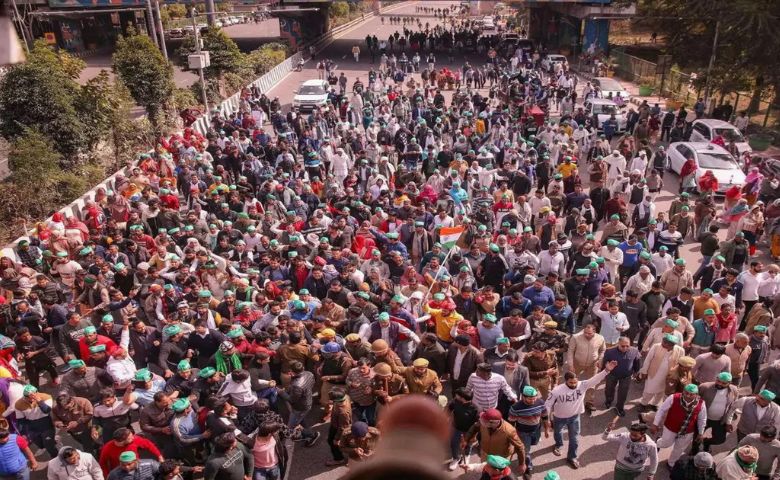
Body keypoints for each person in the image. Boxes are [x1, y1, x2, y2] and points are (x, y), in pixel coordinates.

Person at [545, 360, 618, 468]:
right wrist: (546, 420)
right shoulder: (557, 390)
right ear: (565, 381)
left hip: (575, 417)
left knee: (574, 439)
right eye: (571, 383)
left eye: (575, 382)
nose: (574, 385)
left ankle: (572, 457)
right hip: (559, 417)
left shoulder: (582, 385)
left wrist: (606, 370)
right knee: (558, 433)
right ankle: (558, 445)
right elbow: (547, 404)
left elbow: (595, 379)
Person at [651, 384, 707, 469]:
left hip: (687, 431)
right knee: (666, 443)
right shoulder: (673, 398)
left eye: (691, 394)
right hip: (670, 427)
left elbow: (702, 419)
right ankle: (658, 442)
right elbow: (661, 410)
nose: (688, 396)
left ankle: (671, 463)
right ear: (683, 391)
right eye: (686, 393)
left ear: (696, 394)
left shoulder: (701, 404)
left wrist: (700, 433)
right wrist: (655, 424)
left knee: (679, 449)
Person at [603, 337, 641, 417]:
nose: (625, 348)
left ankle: (619, 407)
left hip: (626, 376)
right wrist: (603, 373)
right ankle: (609, 401)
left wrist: (636, 372)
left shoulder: (635, 351)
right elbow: (605, 362)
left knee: (623, 393)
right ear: (618, 344)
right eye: (622, 346)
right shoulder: (609, 351)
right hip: (612, 375)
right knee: (609, 389)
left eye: (627, 346)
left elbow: (637, 362)